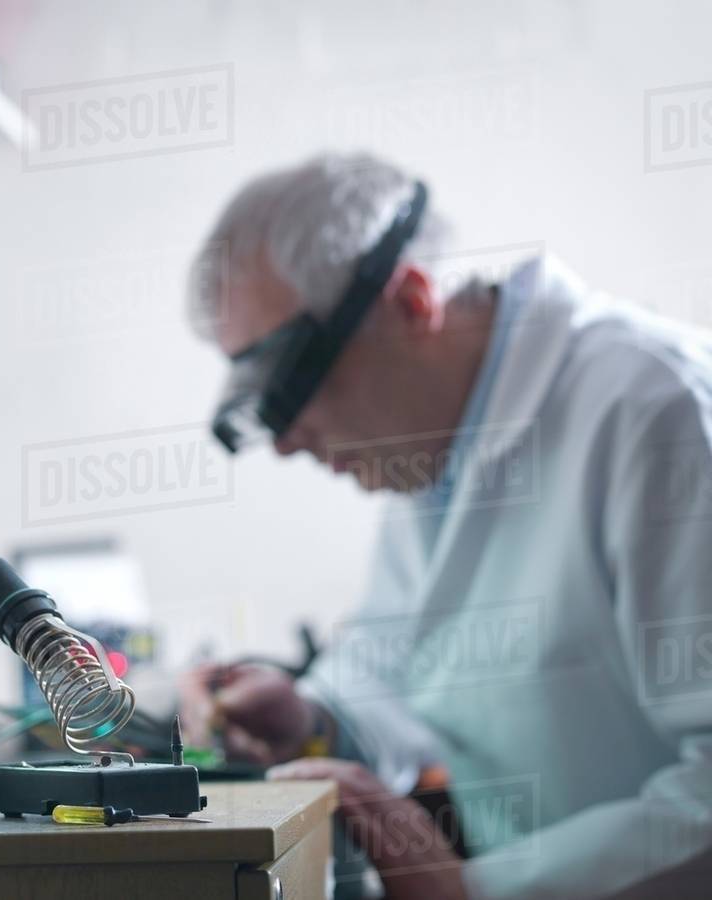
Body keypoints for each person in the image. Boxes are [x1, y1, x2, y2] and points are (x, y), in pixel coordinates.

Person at [180, 153, 712, 899]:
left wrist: (476, 889)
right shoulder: (430, 455)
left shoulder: (659, 410)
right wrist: (308, 717)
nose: (290, 438)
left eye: (297, 382)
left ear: (411, 303)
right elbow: (405, 667)